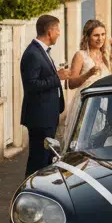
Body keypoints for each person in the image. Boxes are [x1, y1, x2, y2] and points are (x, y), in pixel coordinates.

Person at [20, 15, 69, 177]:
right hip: (40, 117)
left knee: (47, 158)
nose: (59, 33)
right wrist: (57, 77)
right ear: (49, 32)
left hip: (48, 114)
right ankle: (31, 191)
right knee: (38, 160)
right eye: (58, 30)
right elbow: (31, 85)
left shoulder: (41, 51)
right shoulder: (33, 54)